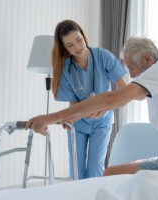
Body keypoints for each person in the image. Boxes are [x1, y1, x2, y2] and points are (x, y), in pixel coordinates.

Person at [26, 36, 158, 177]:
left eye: (131, 68)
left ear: (146, 59)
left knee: (111, 173)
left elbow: (113, 98)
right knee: (126, 168)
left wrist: (50, 118)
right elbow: (122, 99)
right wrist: (88, 112)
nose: (132, 76)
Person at [48, 20, 127, 179]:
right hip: (78, 122)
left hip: (102, 121)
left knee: (95, 166)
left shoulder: (103, 56)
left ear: (84, 36)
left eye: (79, 40)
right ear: (64, 47)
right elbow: (72, 102)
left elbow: (123, 89)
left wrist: (104, 108)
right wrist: (71, 117)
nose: (77, 47)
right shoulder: (65, 68)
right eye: (70, 45)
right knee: (76, 168)